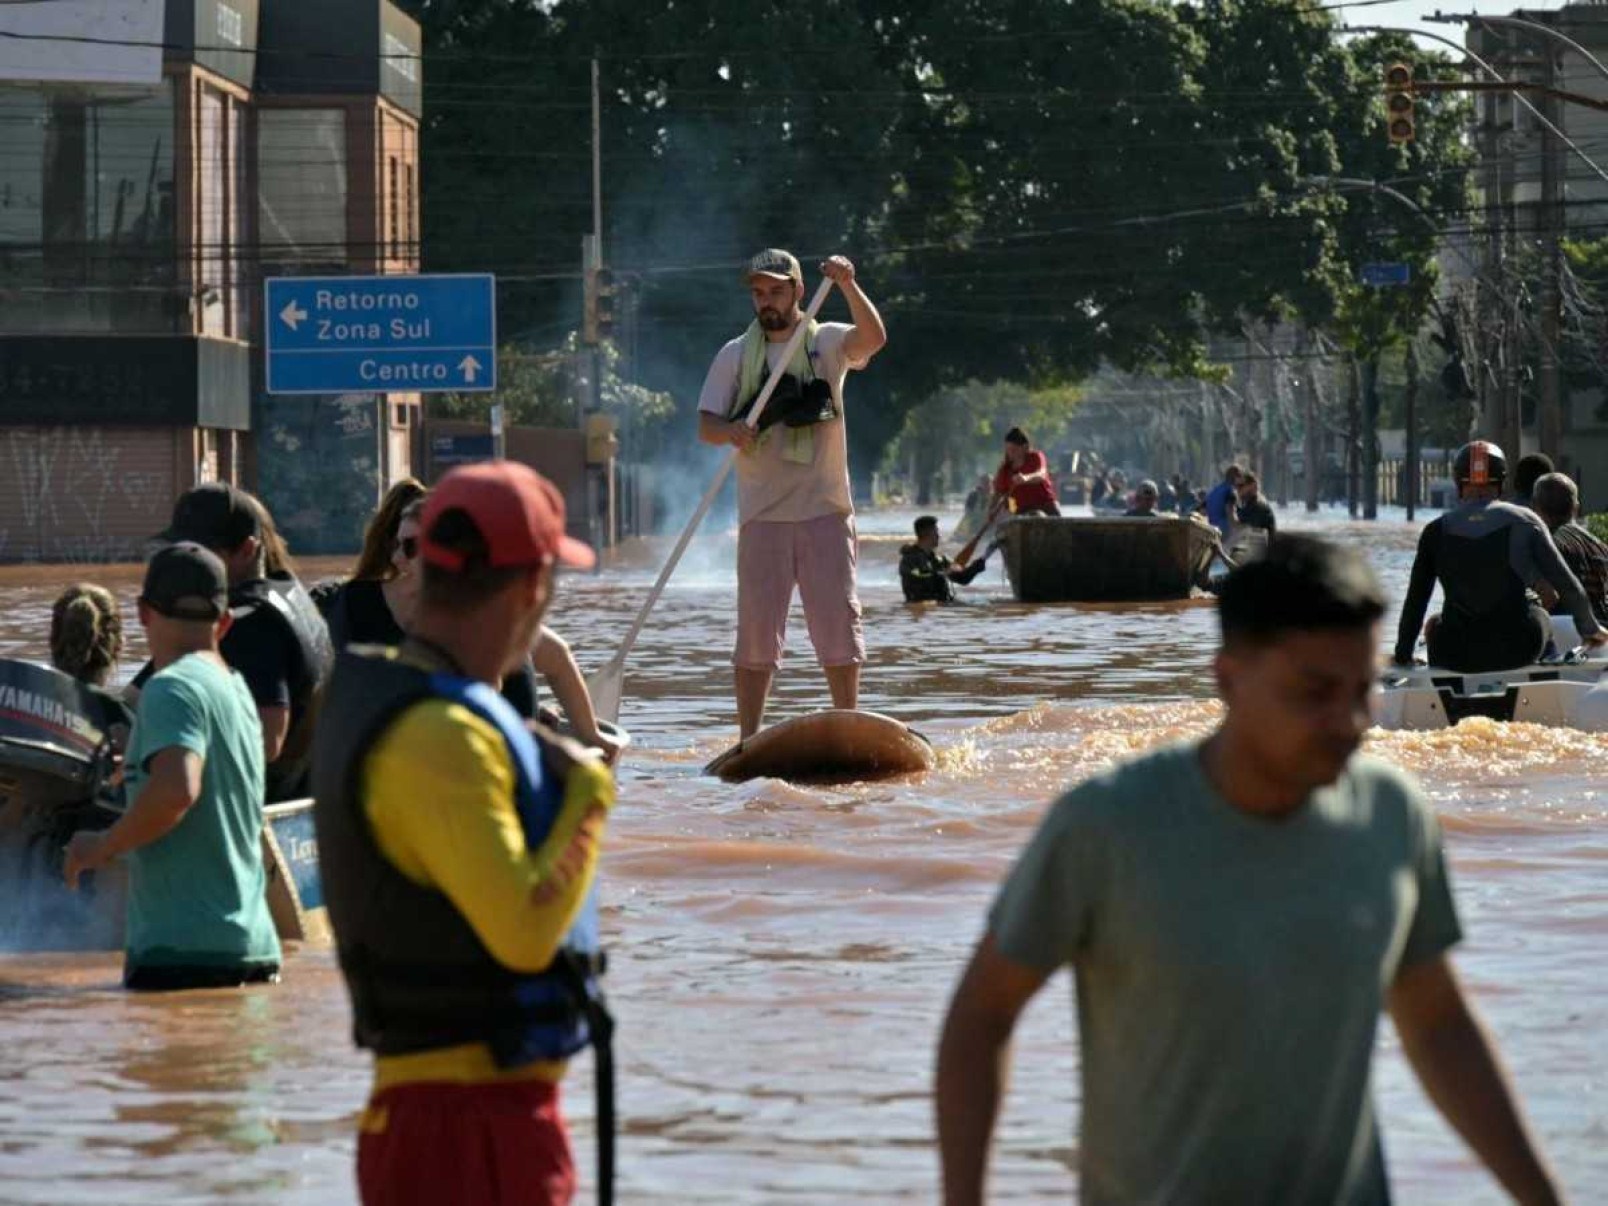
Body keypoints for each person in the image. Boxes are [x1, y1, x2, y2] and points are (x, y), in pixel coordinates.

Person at [936, 535, 1567, 1205]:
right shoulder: (1109, 827)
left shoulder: (1391, 814)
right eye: (1315, 691)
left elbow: (1437, 1021)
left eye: (1363, 690)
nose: (1349, 721)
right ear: (1228, 678)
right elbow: (982, 1016)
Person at [312, 461, 615, 1206]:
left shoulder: (414, 702)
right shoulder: (443, 736)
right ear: (529, 589)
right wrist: (588, 796)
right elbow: (520, 934)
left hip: (455, 1118)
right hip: (466, 1129)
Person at [63, 543, 280, 991]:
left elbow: (178, 791)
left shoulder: (171, 686)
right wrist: (141, 769)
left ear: (143, 613)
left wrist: (102, 845)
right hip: (253, 949)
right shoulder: (236, 689)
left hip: (182, 955)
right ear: (223, 622)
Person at [696, 248, 887, 739]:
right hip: (762, 516)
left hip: (825, 510)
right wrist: (732, 430)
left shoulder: (826, 342)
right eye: (758, 293)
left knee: (838, 631)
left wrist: (846, 283)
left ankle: (848, 725)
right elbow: (706, 425)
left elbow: (874, 339)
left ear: (799, 292)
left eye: (776, 291)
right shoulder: (735, 354)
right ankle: (748, 739)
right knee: (756, 638)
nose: (767, 301)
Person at [147, 482, 333, 802]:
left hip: (261, 803)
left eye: (201, 553)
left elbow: (267, 741)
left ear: (247, 550)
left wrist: (175, 757)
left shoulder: (250, 620)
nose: (186, 565)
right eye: (180, 550)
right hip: (304, 797)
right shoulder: (290, 592)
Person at [1394, 440, 1608, 672]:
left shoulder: (1435, 530)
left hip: (1453, 654)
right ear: (1502, 483)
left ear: (1457, 483)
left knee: (1435, 622)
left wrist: (1403, 654)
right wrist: (1590, 629)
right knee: (1540, 615)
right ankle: (1549, 669)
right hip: (1516, 650)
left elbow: (1416, 601)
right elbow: (1567, 586)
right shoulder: (1526, 521)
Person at [1529, 471, 1608, 627]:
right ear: (1576, 507)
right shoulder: (1601, 548)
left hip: (1563, 638)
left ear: (1535, 506)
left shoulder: (1547, 544)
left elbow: (1547, 597)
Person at [900, 516, 990, 603]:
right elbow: (918, 577)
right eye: (936, 531)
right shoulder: (909, 559)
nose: (939, 536)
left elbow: (963, 579)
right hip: (923, 604)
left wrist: (976, 567)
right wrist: (944, 573)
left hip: (943, 604)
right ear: (925, 533)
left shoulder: (940, 560)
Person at [992, 428, 1060, 518]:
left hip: (1045, 506)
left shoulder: (1036, 457)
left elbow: (1041, 474)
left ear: (1025, 447)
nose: (1010, 454)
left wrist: (1025, 478)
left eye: (1014, 450)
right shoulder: (1004, 470)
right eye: (1008, 450)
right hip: (1019, 511)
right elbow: (998, 493)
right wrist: (991, 510)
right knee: (1010, 510)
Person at [1203, 463, 1243, 538]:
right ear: (1235, 477)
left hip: (1211, 529)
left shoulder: (1215, 490)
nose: (1242, 480)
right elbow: (1231, 514)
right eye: (1240, 476)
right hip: (1224, 532)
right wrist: (1241, 527)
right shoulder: (1231, 491)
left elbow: (1204, 510)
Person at [1234, 470, 1277, 540]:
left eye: (1241, 486)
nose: (1237, 490)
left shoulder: (1261, 508)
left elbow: (1247, 529)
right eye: (1236, 486)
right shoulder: (1243, 507)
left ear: (1253, 486)